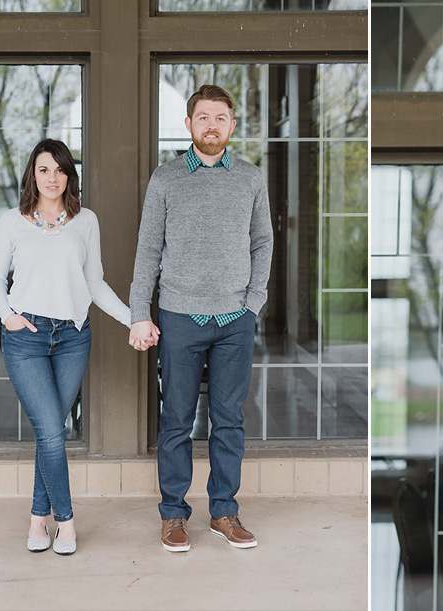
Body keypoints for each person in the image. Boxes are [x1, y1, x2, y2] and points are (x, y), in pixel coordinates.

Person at [129, 84, 273, 553]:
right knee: (176, 420)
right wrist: (138, 313)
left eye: (220, 118)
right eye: (203, 118)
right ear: (188, 124)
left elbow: (262, 243)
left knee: (228, 420)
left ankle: (224, 511)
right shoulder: (166, 178)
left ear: (232, 125)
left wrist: (253, 302)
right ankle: (173, 515)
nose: (212, 125)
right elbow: (148, 250)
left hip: (236, 317)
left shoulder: (250, 178)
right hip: (180, 315)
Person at [0, 138, 132, 555]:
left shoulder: (86, 220)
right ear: (33, 174)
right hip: (26, 338)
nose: (53, 178)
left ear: (70, 175)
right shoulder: (12, 222)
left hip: (72, 337)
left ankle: (37, 519)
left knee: (50, 433)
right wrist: (7, 315)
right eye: (44, 169)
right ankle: (65, 522)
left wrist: (131, 318)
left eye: (61, 170)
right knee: (52, 432)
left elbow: (94, 282)